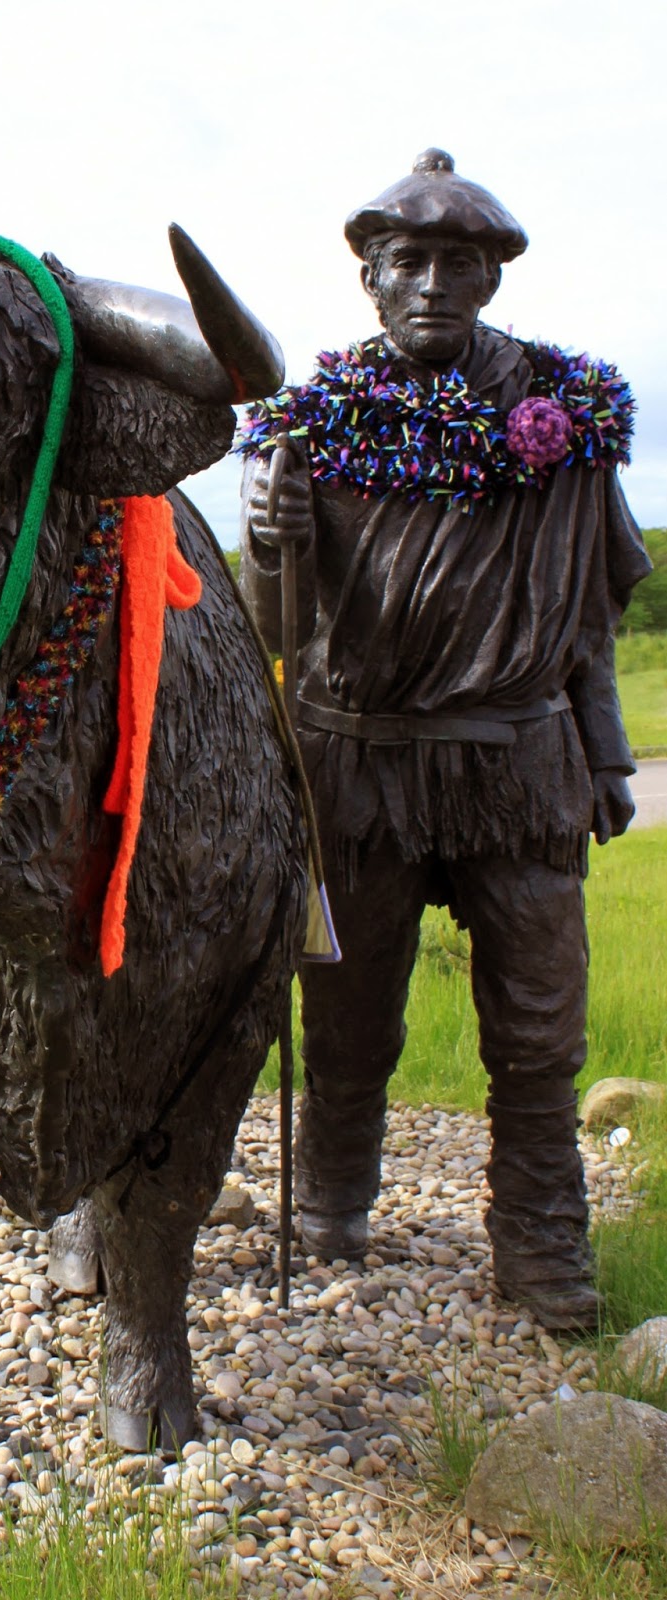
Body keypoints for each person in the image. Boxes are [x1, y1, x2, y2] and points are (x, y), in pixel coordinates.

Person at [238, 150, 651, 1331]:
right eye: (406, 261)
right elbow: (282, 630)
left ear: (491, 277)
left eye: (457, 263)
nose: (431, 283)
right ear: (369, 279)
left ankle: (539, 1244)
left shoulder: (561, 420)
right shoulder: (312, 425)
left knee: (538, 1023)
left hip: (516, 765)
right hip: (358, 766)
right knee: (349, 1011)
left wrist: (608, 755)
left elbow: (587, 614)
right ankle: (330, 1204)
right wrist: (274, 543)